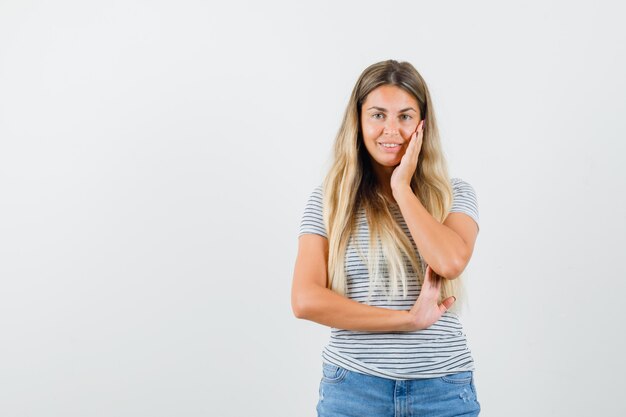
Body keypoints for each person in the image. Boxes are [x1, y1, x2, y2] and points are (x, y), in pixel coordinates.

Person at [291, 59, 482, 417]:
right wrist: (406, 321)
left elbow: (449, 260)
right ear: (359, 121)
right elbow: (305, 300)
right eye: (378, 115)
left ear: (423, 125)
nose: (391, 129)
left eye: (405, 117)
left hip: (442, 391)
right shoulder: (328, 201)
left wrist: (401, 189)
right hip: (353, 390)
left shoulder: (455, 194)